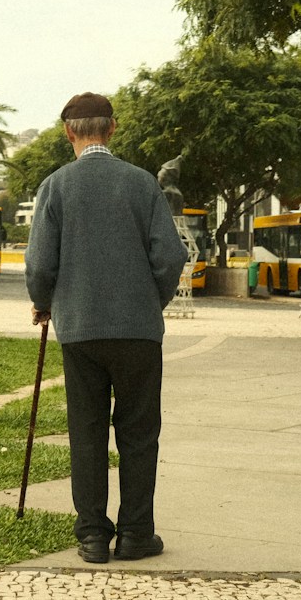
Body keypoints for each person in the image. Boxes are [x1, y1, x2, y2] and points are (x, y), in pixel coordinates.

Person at [25, 92, 187, 565]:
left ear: (67, 132)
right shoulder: (141, 184)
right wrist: (149, 300)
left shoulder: (55, 187)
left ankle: (93, 535)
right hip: (138, 331)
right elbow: (170, 256)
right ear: (112, 128)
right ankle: (137, 534)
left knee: (87, 429)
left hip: (80, 331)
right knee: (139, 431)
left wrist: (43, 303)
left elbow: (38, 264)